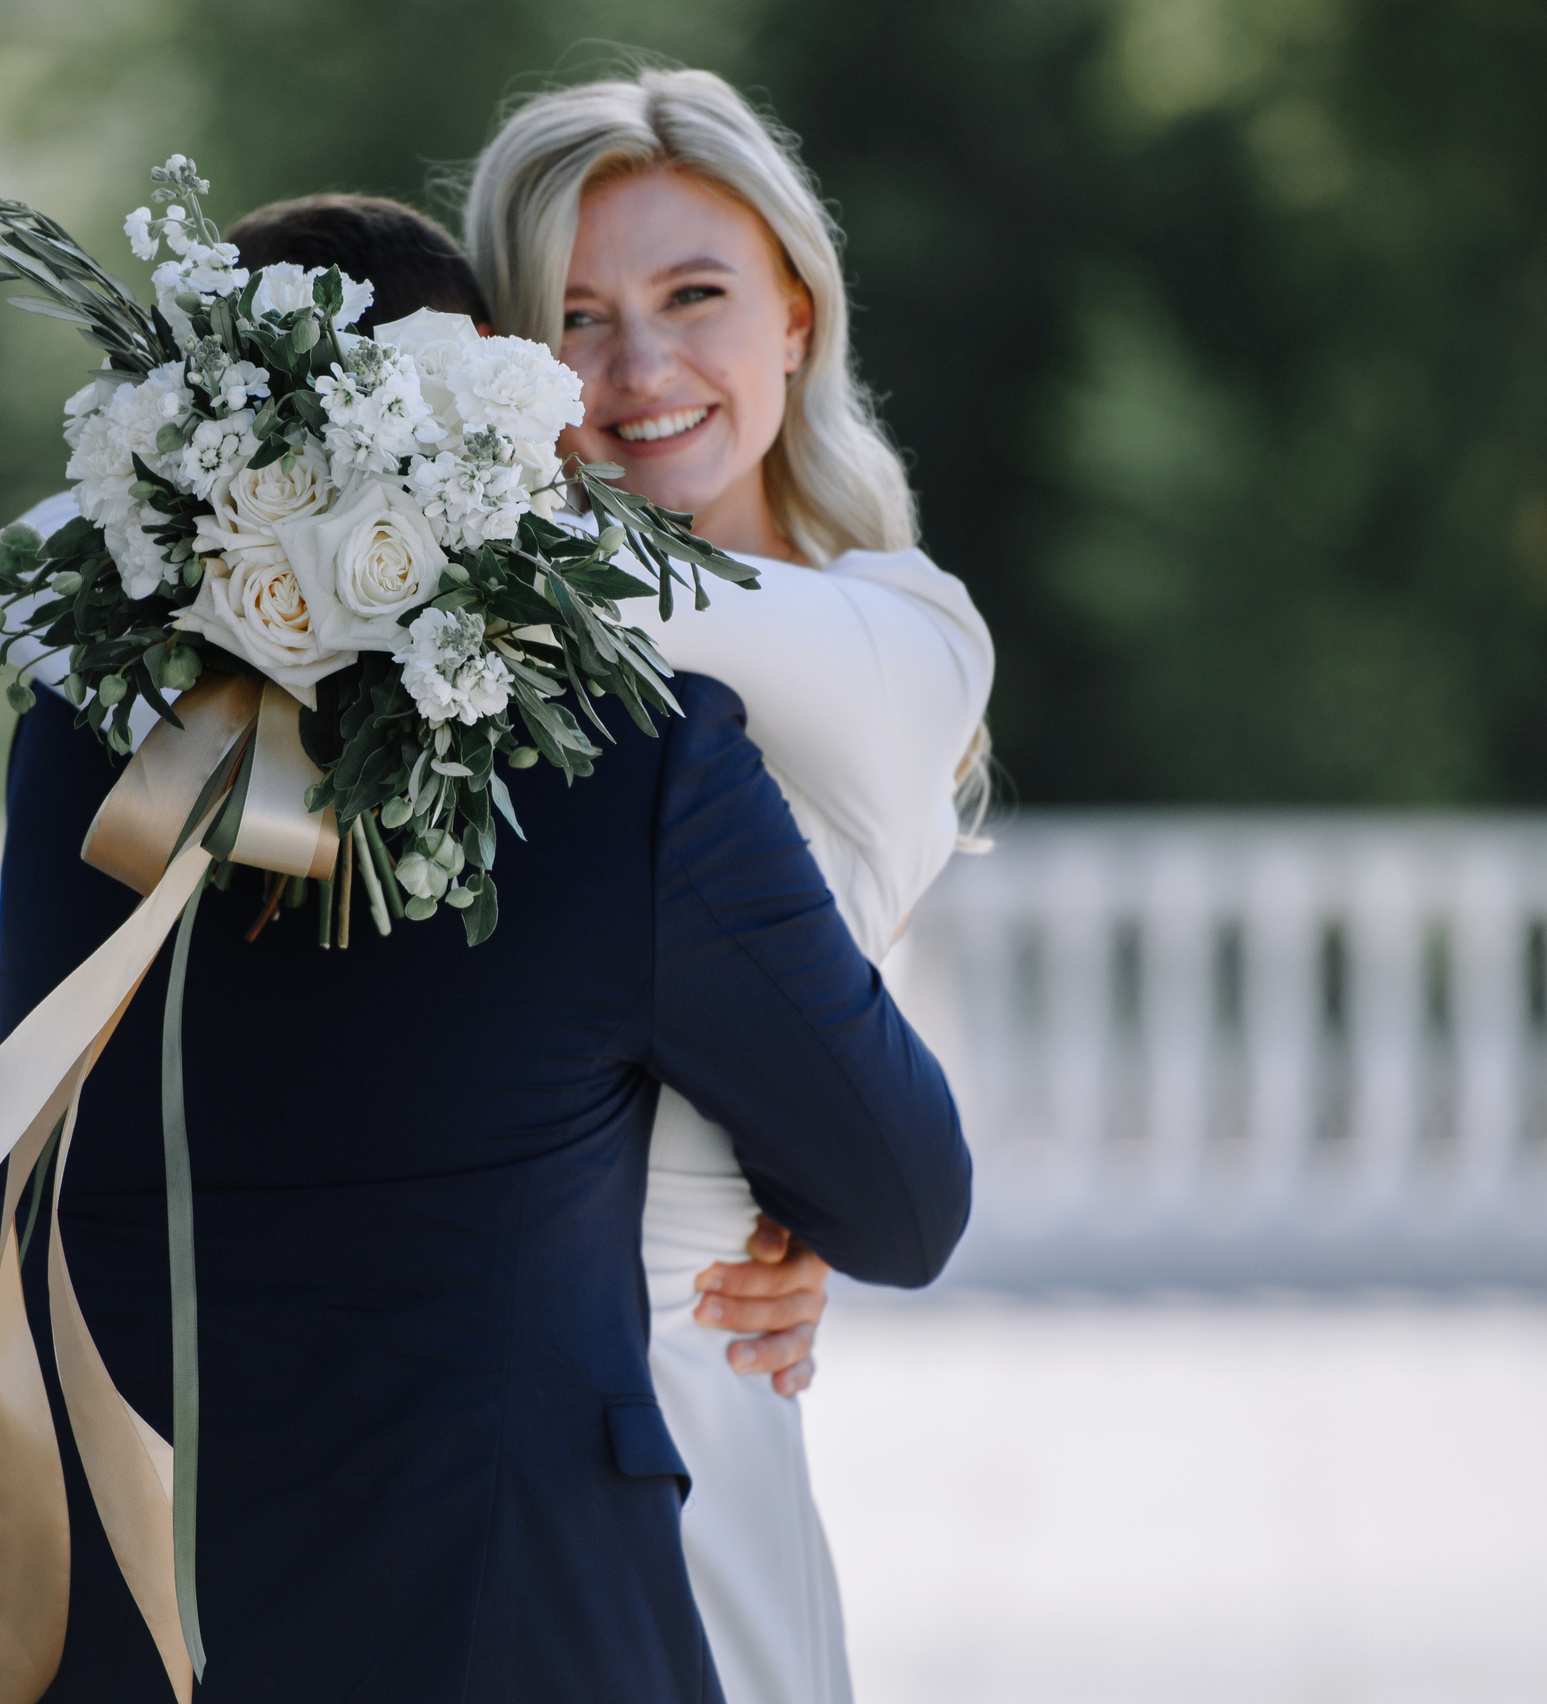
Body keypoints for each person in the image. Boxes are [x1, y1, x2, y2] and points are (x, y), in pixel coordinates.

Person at [0, 190, 973, 1701]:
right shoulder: (639, 766)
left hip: (81, 1615)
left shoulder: (76, 739)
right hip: (494, 1625)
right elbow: (907, 1201)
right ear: (490, 405)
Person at [462, 68, 997, 1704]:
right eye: (572, 321)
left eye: (695, 296)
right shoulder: (472, 644)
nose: (640, 371)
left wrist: (381, 465)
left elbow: (608, 587)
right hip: (452, 1409)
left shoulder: (902, 638)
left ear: (795, 312)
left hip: (686, 1391)